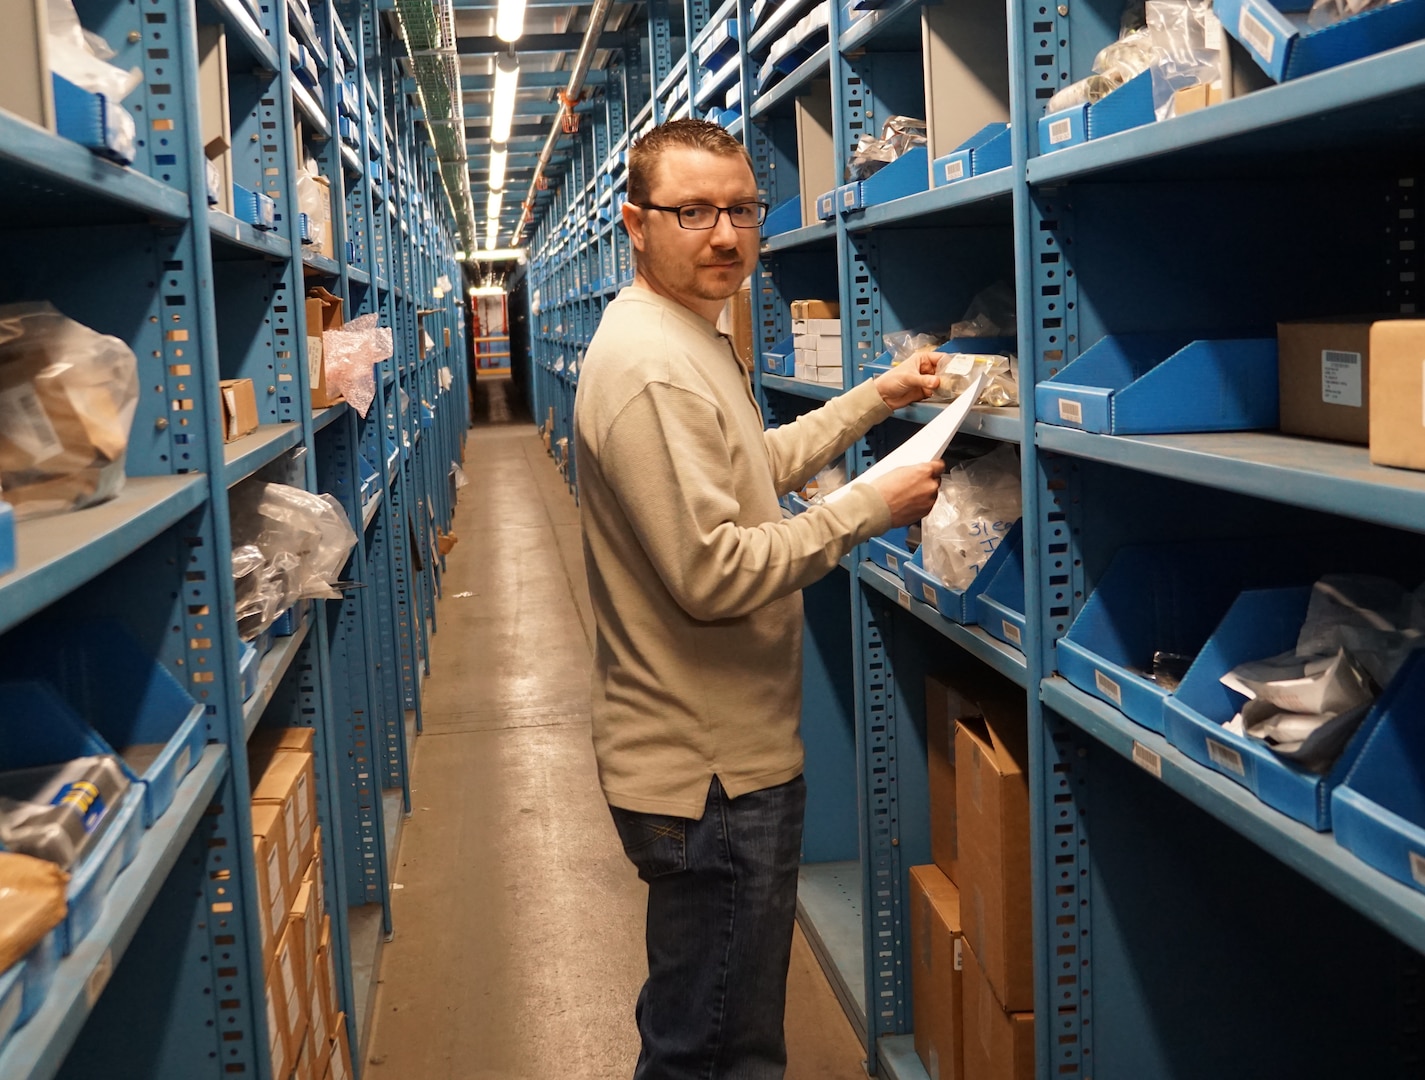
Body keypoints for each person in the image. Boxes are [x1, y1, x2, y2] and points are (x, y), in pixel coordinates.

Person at [573, 118, 944, 1080]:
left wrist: (878, 399)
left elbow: (750, 469)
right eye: (691, 211)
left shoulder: (686, 337)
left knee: (702, 1024)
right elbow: (714, 572)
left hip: (712, 761)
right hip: (708, 777)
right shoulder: (653, 365)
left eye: (741, 209)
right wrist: (870, 506)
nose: (724, 235)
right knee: (720, 1053)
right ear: (633, 223)